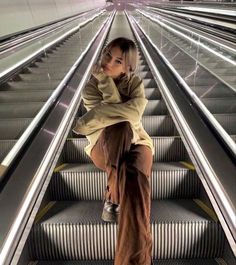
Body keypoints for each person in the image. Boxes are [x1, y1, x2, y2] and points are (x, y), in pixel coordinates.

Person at [73, 37, 154, 265]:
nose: (108, 62)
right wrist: (105, 84)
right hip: (102, 148)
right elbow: (114, 117)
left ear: (128, 67)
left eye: (118, 60)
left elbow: (131, 115)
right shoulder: (90, 86)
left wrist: (90, 119)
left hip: (139, 144)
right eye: (108, 54)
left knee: (134, 176)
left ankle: (113, 196)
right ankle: (115, 194)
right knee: (119, 126)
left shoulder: (135, 83)